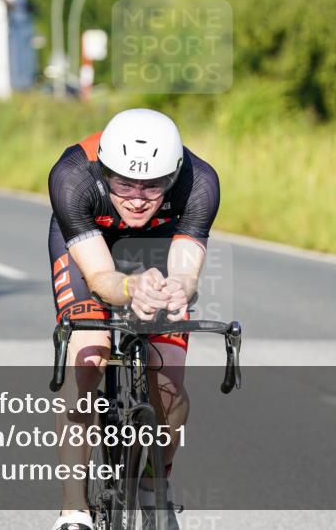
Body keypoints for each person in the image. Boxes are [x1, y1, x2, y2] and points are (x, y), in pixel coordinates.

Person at [47, 109, 220, 530]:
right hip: (91, 248)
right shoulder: (73, 177)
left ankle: (151, 483)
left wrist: (179, 287)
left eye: (153, 186)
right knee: (88, 359)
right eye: (124, 183)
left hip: (159, 245)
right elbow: (100, 277)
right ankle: (74, 509)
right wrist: (129, 287)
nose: (137, 198)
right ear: (104, 170)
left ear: (174, 175)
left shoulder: (200, 181)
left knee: (169, 383)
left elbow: (186, 270)